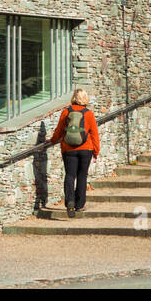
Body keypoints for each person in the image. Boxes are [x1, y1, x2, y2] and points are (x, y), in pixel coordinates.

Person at [50, 88, 100, 217]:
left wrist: (52, 140)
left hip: (68, 149)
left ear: (74, 98)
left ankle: (70, 202)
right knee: (82, 176)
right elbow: (94, 134)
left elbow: (59, 130)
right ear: (85, 98)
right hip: (86, 149)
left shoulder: (66, 112)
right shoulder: (89, 114)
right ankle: (79, 205)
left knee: (70, 175)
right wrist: (96, 151)